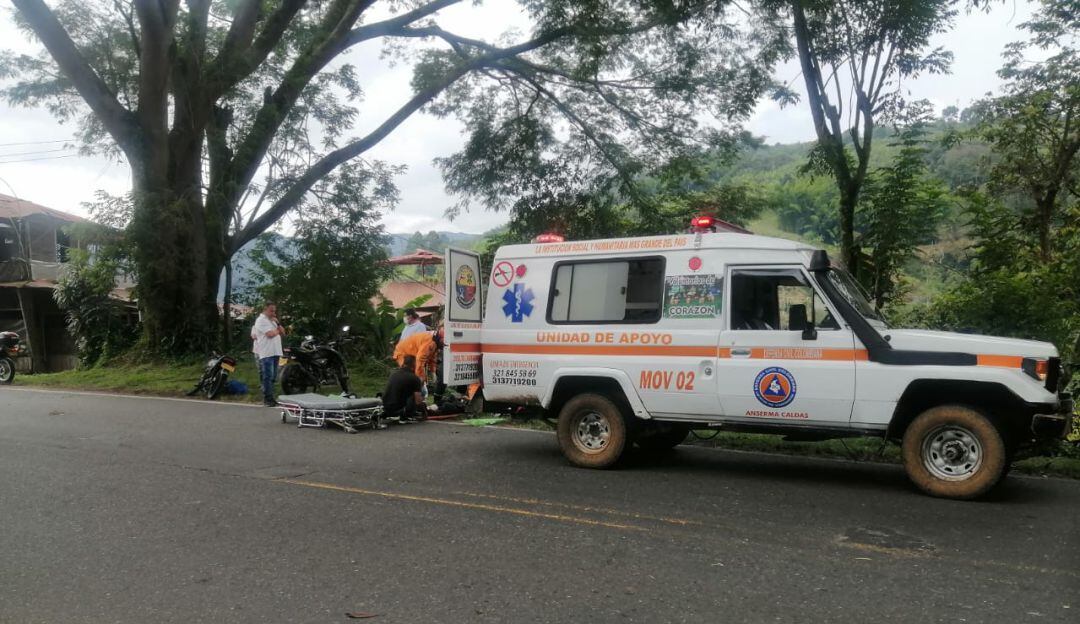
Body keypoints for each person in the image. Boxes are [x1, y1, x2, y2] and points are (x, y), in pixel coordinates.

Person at [252, 302, 287, 406]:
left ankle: (271, 397)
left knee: (273, 377)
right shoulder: (261, 320)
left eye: (274, 311)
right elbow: (270, 334)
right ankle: (267, 399)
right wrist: (277, 330)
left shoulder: (273, 321)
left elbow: (283, 332)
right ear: (265, 309)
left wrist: (278, 323)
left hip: (276, 351)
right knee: (268, 376)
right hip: (267, 352)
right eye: (271, 311)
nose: (273, 313)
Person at [382, 354, 425, 422]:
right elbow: (418, 401)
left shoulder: (394, 374)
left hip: (385, 407)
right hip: (398, 410)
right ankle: (408, 414)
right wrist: (424, 409)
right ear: (414, 365)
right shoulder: (414, 378)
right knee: (417, 394)